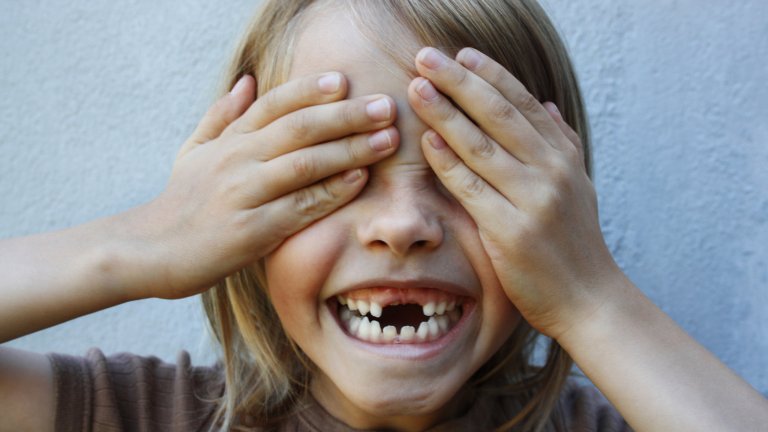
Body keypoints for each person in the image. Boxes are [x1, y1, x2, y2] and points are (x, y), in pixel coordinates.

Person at [1, 0, 766, 431]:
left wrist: (593, 297)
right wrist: (139, 243)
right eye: (333, 175)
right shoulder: (141, 417)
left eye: (468, 175)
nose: (402, 226)